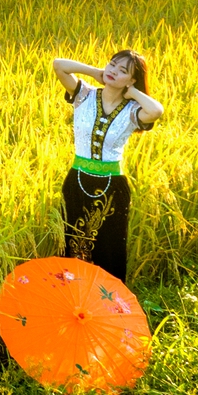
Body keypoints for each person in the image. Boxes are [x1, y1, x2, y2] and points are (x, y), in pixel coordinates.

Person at [50, 49, 163, 284]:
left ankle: (108, 306)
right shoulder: (84, 95)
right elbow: (59, 64)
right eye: (112, 65)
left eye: (123, 71)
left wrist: (133, 93)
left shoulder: (133, 111)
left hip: (112, 188)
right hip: (76, 182)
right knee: (72, 242)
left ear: (132, 80)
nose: (114, 71)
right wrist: (96, 73)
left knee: (109, 251)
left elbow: (156, 111)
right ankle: (73, 301)